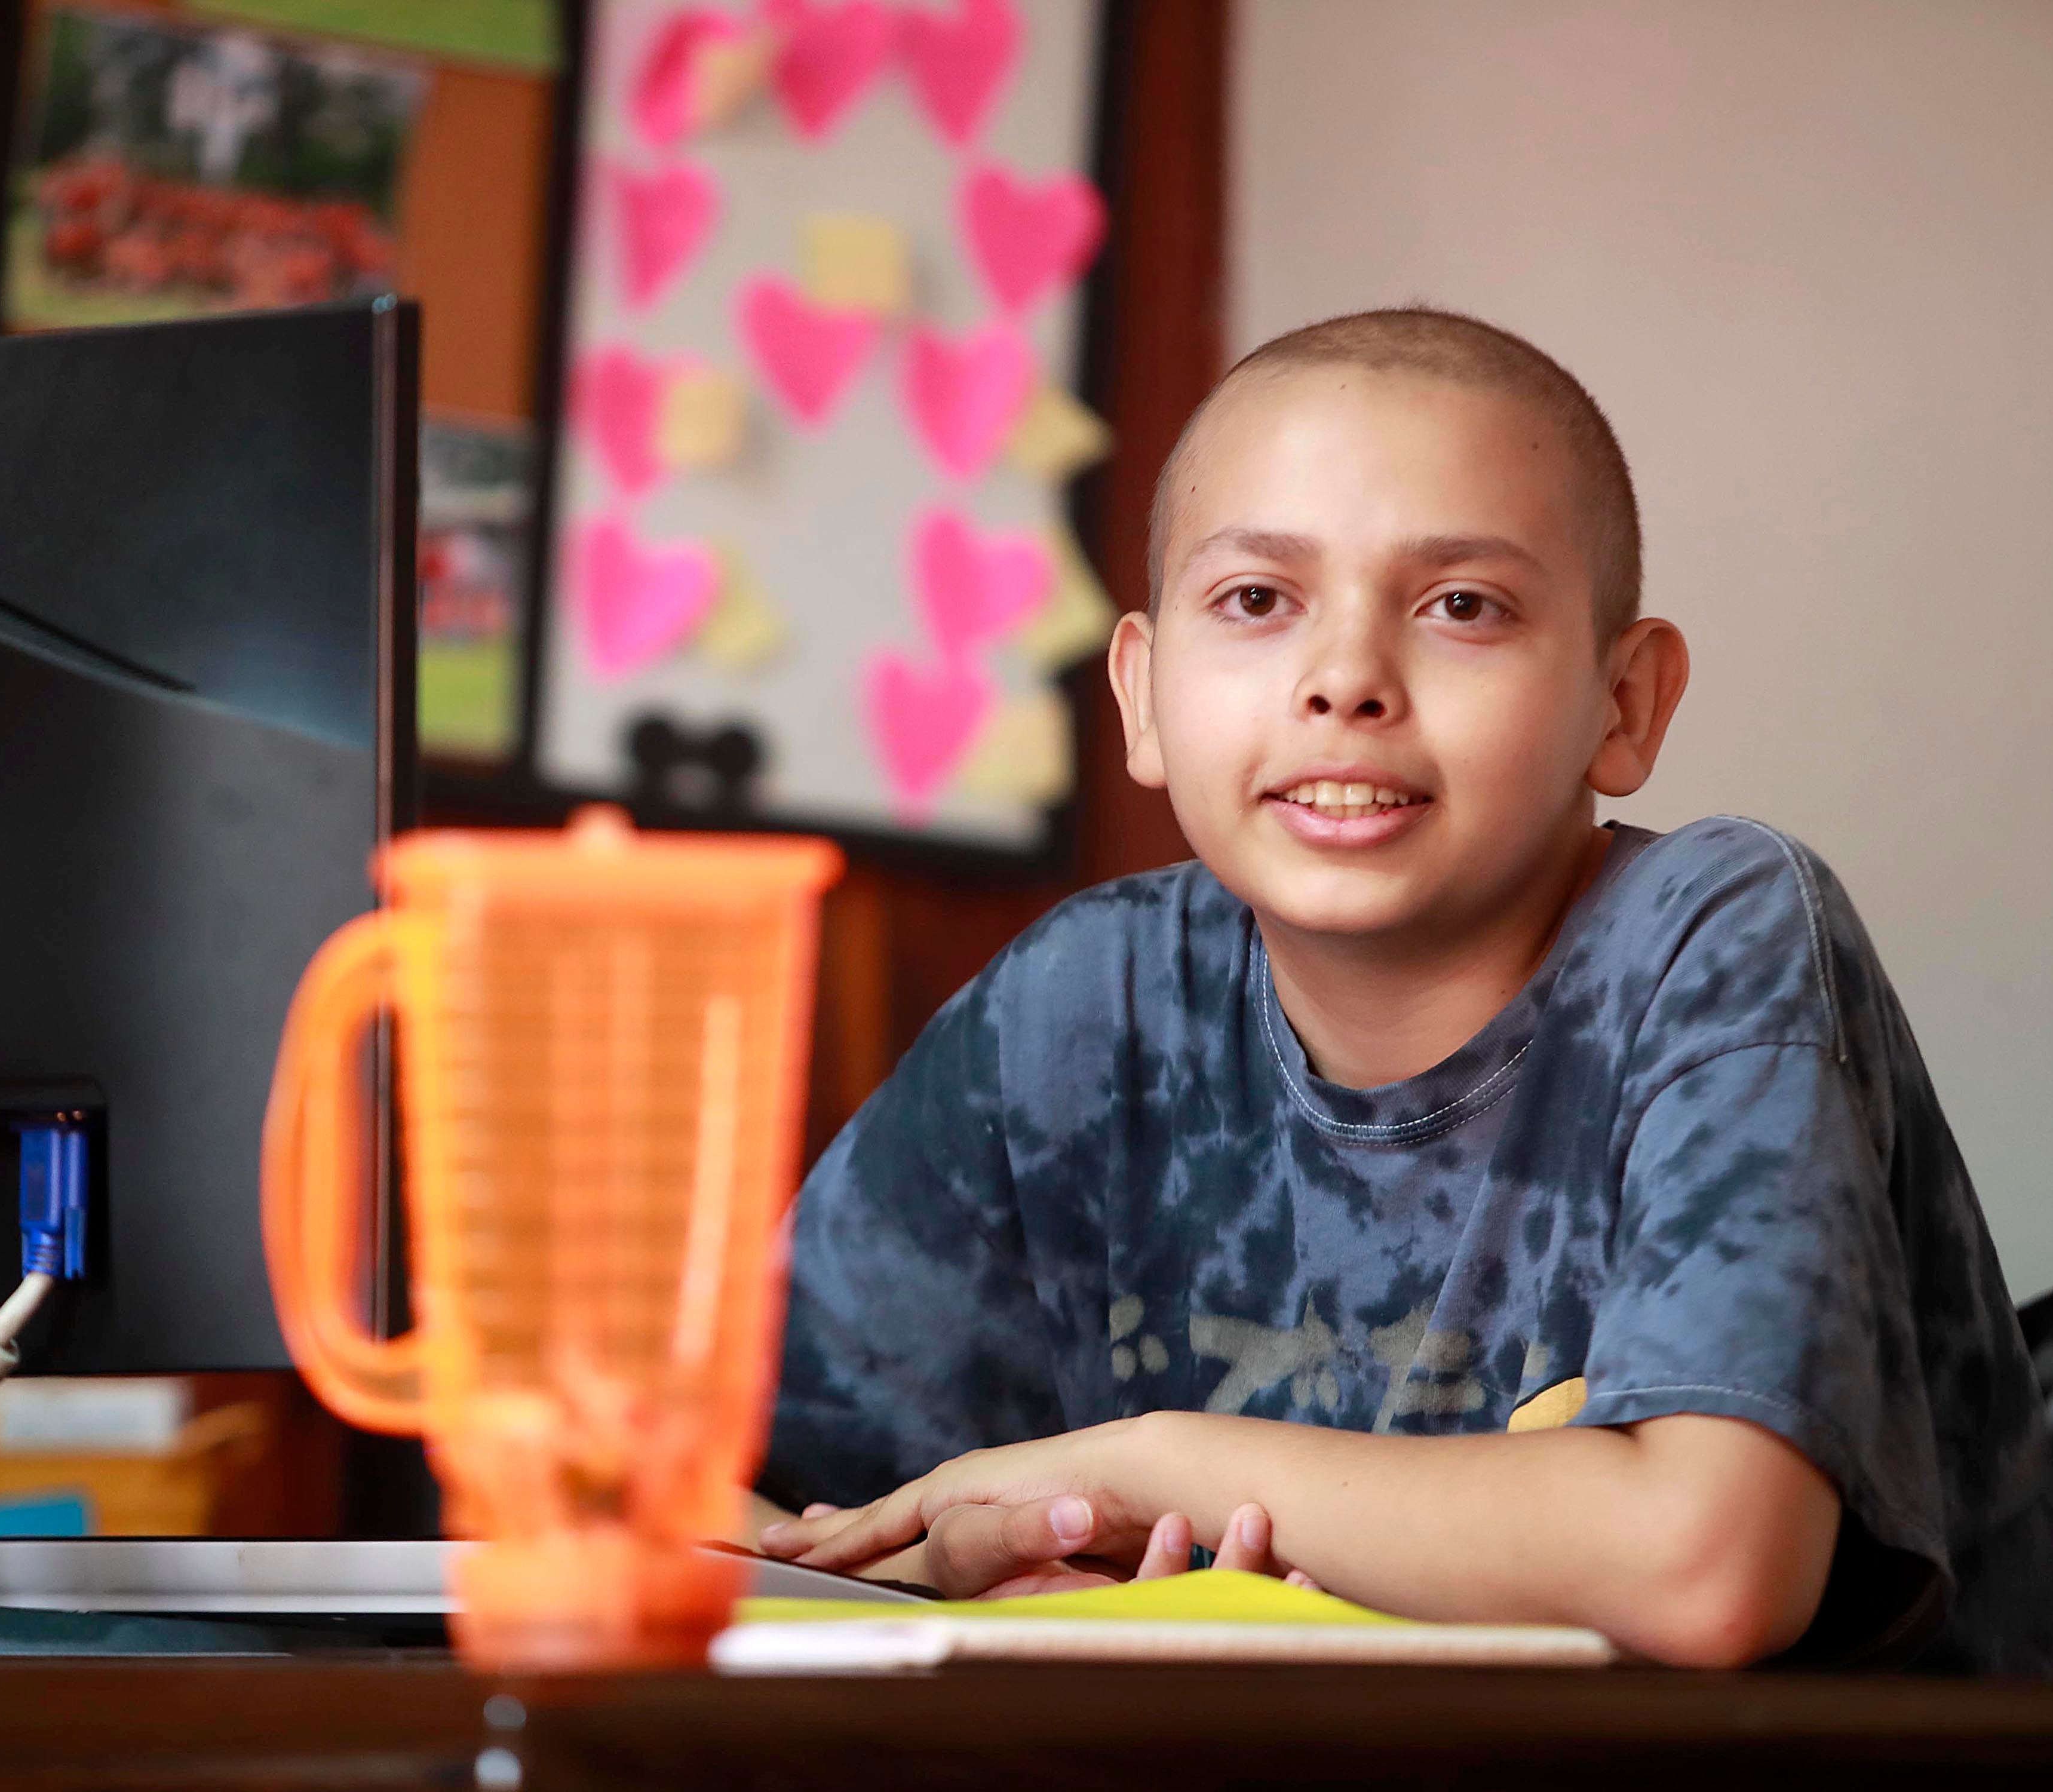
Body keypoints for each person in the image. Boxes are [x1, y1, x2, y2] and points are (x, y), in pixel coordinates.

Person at [748, 309, 2053, 1670]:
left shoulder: (1714, 928)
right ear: (1141, 695)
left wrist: (1153, 1467)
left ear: (1624, 706)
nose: (1346, 683)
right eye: (1258, 601)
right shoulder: (1085, 1003)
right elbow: (717, 1509)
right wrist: (965, 1577)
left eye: (1461, 607)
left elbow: (1709, 1566)